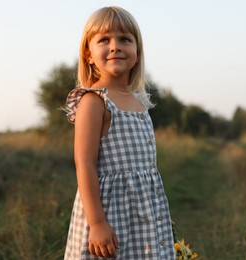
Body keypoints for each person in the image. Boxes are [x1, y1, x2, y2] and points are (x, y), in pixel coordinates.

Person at [63, 6, 175, 259]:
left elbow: (147, 171)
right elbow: (85, 163)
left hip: (142, 216)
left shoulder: (139, 102)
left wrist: (158, 218)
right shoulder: (94, 102)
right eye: (104, 40)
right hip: (109, 213)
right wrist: (97, 223)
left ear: (137, 51)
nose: (115, 46)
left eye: (125, 39)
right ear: (89, 54)